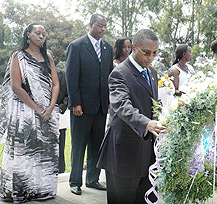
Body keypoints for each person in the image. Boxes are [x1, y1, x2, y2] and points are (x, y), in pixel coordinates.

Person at [97, 29, 165, 204]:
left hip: (146, 154)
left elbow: (150, 104)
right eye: (147, 52)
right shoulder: (119, 73)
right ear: (133, 48)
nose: (151, 57)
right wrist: (146, 123)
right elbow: (121, 106)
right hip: (124, 153)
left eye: (155, 53)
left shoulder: (152, 72)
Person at [0, 23, 60, 202]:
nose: (41, 36)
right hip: (24, 112)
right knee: (23, 151)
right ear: (28, 35)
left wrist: (49, 108)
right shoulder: (18, 56)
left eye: (44, 34)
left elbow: (56, 83)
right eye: (38, 33)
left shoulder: (47, 56)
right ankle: (20, 191)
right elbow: (16, 87)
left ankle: (41, 190)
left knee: (44, 152)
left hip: (47, 113)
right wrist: (38, 109)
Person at [66, 13, 113, 195]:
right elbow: (71, 77)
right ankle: (74, 181)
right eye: (100, 25)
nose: (102, 29)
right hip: (82, 108)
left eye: (105, 26)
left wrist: (108, 102)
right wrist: (75, 103)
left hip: (101, 107)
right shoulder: (76, 46)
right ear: (91, 24)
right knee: (78, 145)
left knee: (96, 145)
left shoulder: (108, 49)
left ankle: (92, 179)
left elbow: (109, 78)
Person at [49, 49, 69, 173]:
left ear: (54, 59)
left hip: (59, 116)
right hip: (42, 116)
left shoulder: (63, 74)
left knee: (60, 145)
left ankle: (60, 170)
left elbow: (68, 94)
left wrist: (60, 108)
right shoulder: (37, 75)